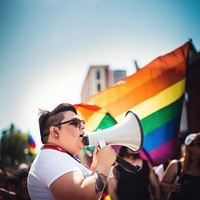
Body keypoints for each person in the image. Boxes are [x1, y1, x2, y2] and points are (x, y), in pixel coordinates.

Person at [27, 103, 117, 200]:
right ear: (54, 132)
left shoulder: (55, 156)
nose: (82, 126)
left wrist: (96, 165)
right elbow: (81, 196)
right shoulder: (51, 159)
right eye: (75, 122)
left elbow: (88, 187)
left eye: (82, 122)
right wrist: (103, 164)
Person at [160, 132, 200, 200]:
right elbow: (161, 186)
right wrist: (171, 187)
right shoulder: (176, 165)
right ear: (190, 147)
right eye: (199, 143)